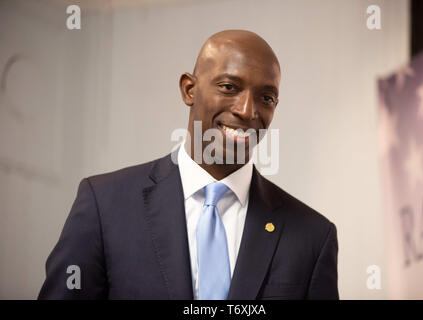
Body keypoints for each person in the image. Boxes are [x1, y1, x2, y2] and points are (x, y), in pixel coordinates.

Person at [38, 30, 338, 300]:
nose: (248, 111)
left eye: (266, 97)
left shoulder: (312, 235)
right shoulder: (104, 204)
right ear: (189, 90)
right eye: (229, 87)